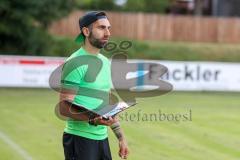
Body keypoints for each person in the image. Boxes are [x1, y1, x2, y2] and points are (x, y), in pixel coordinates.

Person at [58, 11, 129, 160]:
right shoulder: (75, 62)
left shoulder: (104, 62)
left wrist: (121, 137)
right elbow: (64, 107)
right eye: (101, 28)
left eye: (108, 28)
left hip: (102, 140)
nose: (108, 33)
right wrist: (93, 119)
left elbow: (108, 106)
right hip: (79, 140)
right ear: (86, 31)